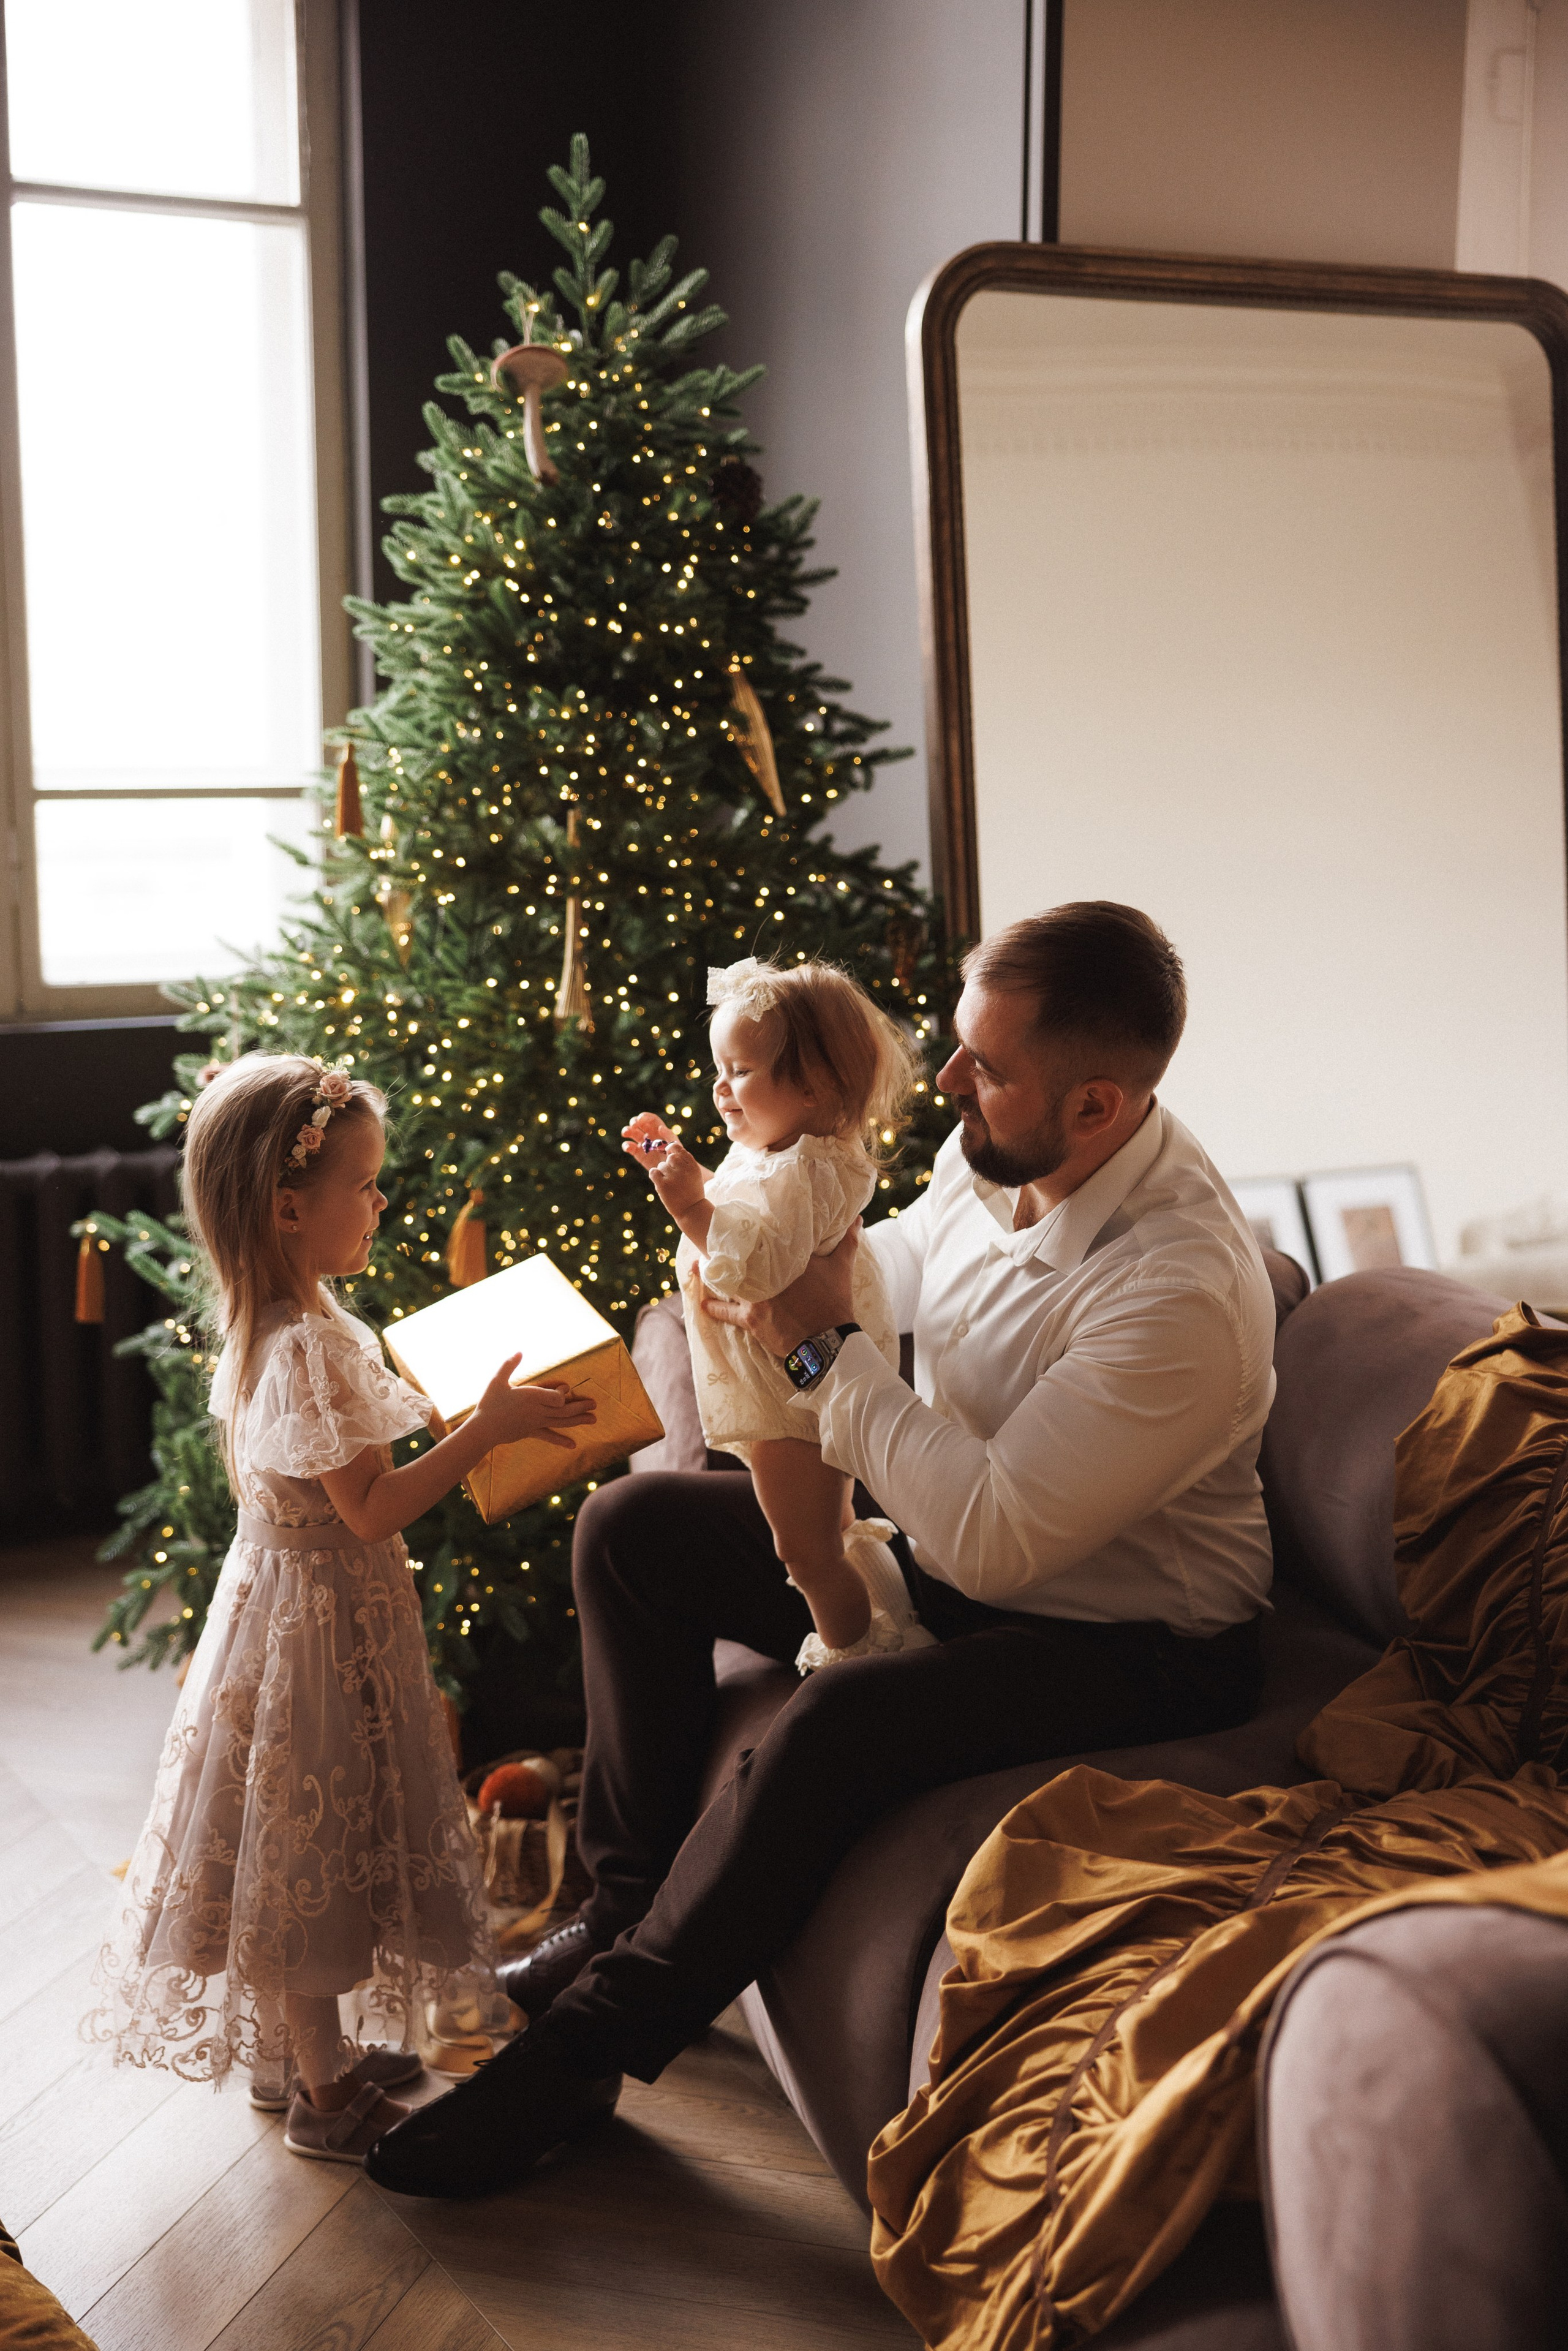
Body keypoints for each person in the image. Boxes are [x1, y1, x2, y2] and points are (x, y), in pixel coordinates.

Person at [366, 900, 1278, 2198]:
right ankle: (616, 1905)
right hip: (944, 1542)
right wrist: (769, 1261)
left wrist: (807, 1343)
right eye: (958, 1042)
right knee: (632, 1529)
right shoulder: (1002, 1145)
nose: (947, 1076)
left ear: (1094, 1108)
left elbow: (993, 1538)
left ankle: (580, 2053)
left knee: (836, 1715)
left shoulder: (1175, 1288)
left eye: (987, 1063)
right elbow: (891, 1260)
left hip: (1124, 1637)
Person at [86, 1052, 594, 2165]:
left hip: (284, 1607)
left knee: (285, 1841)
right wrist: (487, 1428)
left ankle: (288, 2058)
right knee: (311, 1854)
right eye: (365, 1183)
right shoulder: (313, 1341)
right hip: (321, 1621)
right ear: (286, 1204)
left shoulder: (281, 1323)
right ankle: (326, 2093)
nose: (380, 1202)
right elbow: (368, 1507)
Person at [622, 953, 929, 1666]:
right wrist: (686, 1166)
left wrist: (690, 1205)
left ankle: (853, 1659)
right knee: (827, 1530)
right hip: (794, 1381)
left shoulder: (804, 1171)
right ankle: (885, 1627)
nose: (720, 1088)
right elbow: (744, 1208)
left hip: (797, 1390)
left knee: (804, 1549)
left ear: (817, 1090)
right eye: (718, 1070)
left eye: (741, 1071)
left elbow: (759, 1268)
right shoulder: (779, 1149)